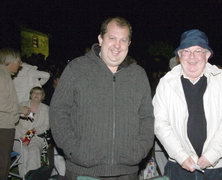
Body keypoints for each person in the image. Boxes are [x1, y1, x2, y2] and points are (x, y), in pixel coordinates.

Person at [50, 17, 154, 180]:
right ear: (100, 39)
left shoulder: (138, 75)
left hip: (127, 172)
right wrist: (74, 150)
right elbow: (59, 112)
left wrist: (139, 150)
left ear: (129, 43)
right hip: (83, 170)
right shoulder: (77, 69)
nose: (117, 45)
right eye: (112, 38)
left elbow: (147, 117)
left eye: (123, 40)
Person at [153, 29, 222, 180]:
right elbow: (159, 123)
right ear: (179, 56)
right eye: (186, 51)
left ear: (207, 55)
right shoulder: (167, 83)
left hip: (215, 167)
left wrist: (212, 155)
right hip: (178, 167)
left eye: (198, 51)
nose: (192, 57)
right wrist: (180, 156)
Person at [0, 48, 30, 180]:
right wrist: (20, 109)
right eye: (19, 61)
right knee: (3, 162)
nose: (21, 64)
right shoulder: (2, 76)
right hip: (3, 126)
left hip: (4, 124)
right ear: (11, 61)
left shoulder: (4, 75)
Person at [13, 87, 50, 177]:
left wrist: (31, 133)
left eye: (39, 93)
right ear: (30, 94)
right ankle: (24, 176)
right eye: (34, 93)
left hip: (36, 137)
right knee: (24, 151)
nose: (36, 95)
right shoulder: (21, 105)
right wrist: (24, 137)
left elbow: (46, 125)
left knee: (34, 150)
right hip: (19, 137)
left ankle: (32, 177)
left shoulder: (47, 109)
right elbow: (13, 119)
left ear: (42, 96)